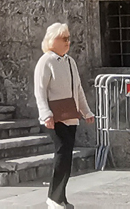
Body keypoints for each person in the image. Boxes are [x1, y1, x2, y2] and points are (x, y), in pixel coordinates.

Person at [34, 22, 93, 209]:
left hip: (71, 116)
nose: (68, 42)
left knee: (66, 157)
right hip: (55, 117)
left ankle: (61, 197)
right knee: (61, 154)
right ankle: (53, 197)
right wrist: (45, 114)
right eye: (64, 39)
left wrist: (86, 111)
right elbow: (40, 91)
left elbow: (78, 89)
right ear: (53, 40)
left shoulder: (70, 62)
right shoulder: (46, 61)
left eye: (68, 38)